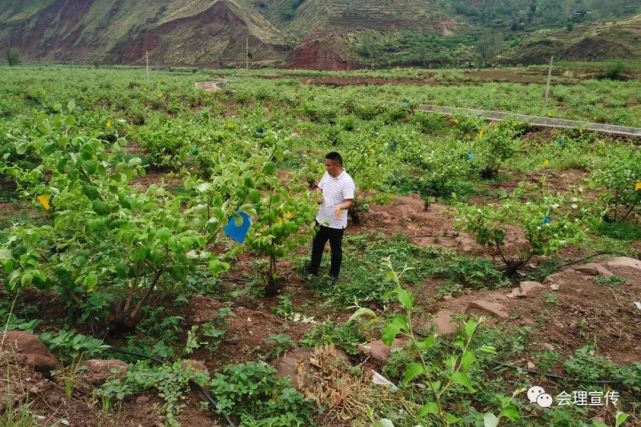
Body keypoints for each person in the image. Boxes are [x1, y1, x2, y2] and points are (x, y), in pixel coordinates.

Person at [306, 152, 355, 283]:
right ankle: (313, 270)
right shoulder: (327, 175)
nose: (326, 167)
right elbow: (319, 188)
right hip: (321, 219)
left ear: (337, 165)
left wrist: (339, 207)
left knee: (335, 250)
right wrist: (318, 196)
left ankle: (333, 275)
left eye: (328, 165)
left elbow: (349, 201)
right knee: (317, 246)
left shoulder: (347, 181)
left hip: (336, 224)